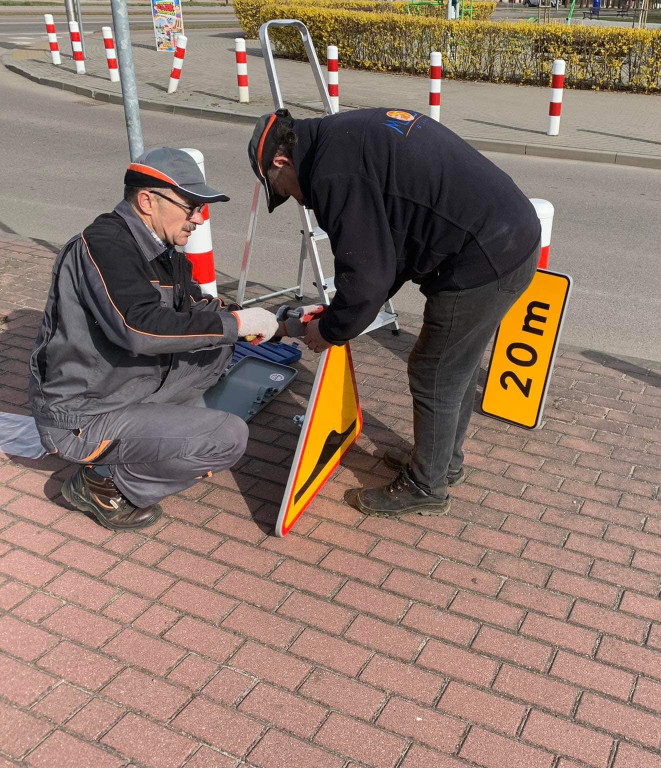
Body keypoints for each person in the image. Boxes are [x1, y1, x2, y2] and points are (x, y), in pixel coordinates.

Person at [248, 108, 541, 518]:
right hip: (505, 236)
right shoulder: (341, 138)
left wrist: (331, 331)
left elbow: (367, 278)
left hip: (486, 257)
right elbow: (389, 254)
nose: (297, 199)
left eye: (282, 189)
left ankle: (427, 486)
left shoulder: (333, 173)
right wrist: (341, 314)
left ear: (281, 161)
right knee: (453, 367)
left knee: (435, 370)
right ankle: (443, 464)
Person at [28, 147, 305, 531]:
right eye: (191, 205)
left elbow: (200, 310)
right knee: (226, 437)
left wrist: (282, 322)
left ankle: (156, 437)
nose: (199, 217)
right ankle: (105, 485)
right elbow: (139, 328)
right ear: (147, 200)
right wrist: (236, 325)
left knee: (220, 352)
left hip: (127, 389)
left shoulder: (162, 249)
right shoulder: (105, 244)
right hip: (85, 414)